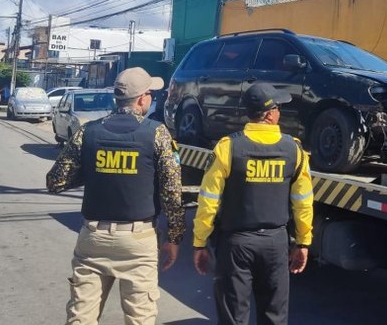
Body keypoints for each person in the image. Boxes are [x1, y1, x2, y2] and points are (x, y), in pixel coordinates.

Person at [46, 67, 184, 325]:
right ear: (143, 98)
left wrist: (92, 171)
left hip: (93, 238)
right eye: (151, 94)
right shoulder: (157, 133)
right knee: (140, 319)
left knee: (81, 317)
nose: (152, 99)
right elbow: (171, 191)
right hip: (138, 241)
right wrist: (175, 237)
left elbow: (55, 181)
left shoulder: (88, 132)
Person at [192, 82, 314, 325]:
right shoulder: (294, 149)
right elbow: (303, 202)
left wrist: (199, 243)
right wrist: (303, 242)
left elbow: (208, 201)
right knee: (274, 315)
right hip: (275, 243)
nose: (279, 112)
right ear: (269, 114)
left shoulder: (228, 147)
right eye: (278, 107)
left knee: (234, 316)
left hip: (236, 244)